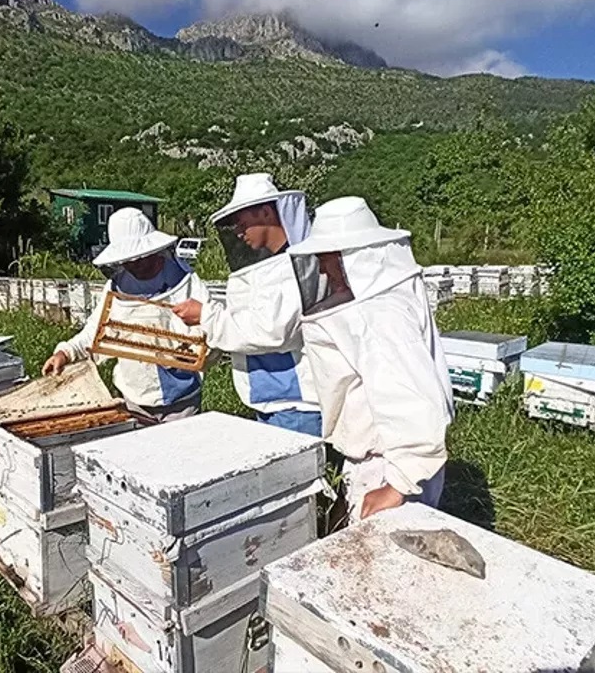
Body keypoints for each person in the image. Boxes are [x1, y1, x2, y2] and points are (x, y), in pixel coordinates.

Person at [286, 196, 455, 523]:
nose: (322, 269)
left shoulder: (377, 315)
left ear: (350, 256)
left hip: (389, 465)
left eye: (326, 258)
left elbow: (408, 394)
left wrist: (397, 484)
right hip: (397, 459)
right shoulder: (385, 298)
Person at [172, 173, 322, 436]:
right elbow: (246, 320)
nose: (238, 233)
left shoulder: (296, 268)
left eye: (243, 223)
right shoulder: (268, 266)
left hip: (298, 406)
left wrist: (207, 316)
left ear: (265, 213)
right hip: (271, 401)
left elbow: (272, 331)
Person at [43, 207, 210, 424]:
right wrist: (65, 353)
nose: (135, 265)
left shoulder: (186, 281)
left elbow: (212, 329)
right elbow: (95, 331)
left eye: (140, 257)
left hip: (181, 400)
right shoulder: (116, 286)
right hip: (133, 397)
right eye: (129, 260)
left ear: (154, 250)